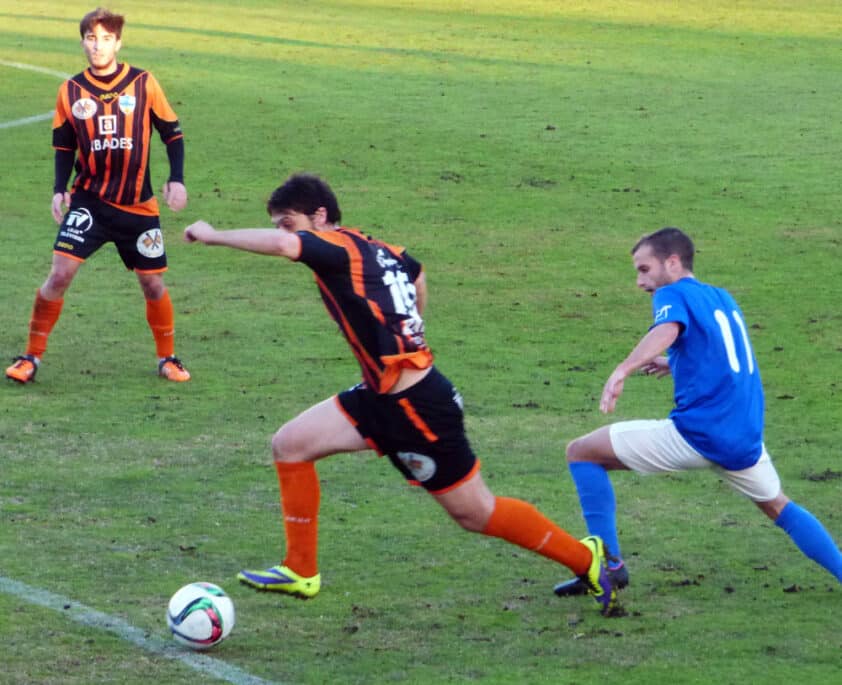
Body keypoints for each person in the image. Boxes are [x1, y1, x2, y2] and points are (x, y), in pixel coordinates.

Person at [184, 173, 617, 615]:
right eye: (277, 224)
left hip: (417, 407)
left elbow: (284, 248)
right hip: (382, 394)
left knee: (476, 513)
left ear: (320, 217)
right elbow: (418, 273)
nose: (283, 233)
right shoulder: (380, 248)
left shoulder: (334, 248)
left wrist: (214, 236)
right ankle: (300, 571)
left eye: (288, 222)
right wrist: (410, 331)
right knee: (290, 445)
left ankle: (588, 560)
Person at [553, 227, 842, 597]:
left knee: (581, 452)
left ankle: (609, 566)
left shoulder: (672, 293)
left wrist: (623, 369)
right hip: (744, 438)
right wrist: (675, 363)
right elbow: (725, 354)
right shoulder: (722, 298)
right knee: (778, 506)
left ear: (672, 263)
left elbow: (668, 328)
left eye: (644, 270)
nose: (641, 282)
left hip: (698, 434)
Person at [5, 7, 190, 384]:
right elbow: (63, 146)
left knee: (152, 283)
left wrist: (177, 178)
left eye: (106, 39)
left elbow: (172, 133)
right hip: (89, 201)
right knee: (59, 275)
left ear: (118, 43)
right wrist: (59, 189)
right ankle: (31, 357)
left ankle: (168, 357)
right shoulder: (70, 91)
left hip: (139, 206)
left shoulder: (143, 83)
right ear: (82, 43)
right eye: (91, 38)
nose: (98, 46)